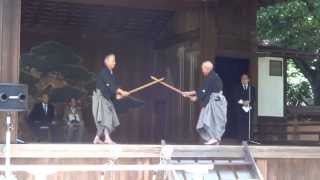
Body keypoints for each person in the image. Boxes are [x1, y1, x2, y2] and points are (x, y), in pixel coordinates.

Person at [183, 61, 227, 145]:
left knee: (210, 120)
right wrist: (189, 93)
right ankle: (213, 138)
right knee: (206, 119)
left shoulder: (212, 77)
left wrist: (196, 98)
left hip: (214, 102)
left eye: (203, 69)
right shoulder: (212, 77)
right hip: (213, 101)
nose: (202, 71)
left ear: (207, 69)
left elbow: (205, 91)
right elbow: (203, 89)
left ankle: (214, 137)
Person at [92, 54, 130, 144]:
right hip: (101, 98)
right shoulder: (104, 72)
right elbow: (111, 86)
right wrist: (121, 91)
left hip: (106, 99)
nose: (114, 63)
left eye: (115, 61)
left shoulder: (112, 74)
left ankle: (97, 138)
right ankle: (107, 138)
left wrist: (119, 95)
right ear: (106, 62)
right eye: (112, 60)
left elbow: (112, 89)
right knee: (106, 117)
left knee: (109, 117)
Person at [233, 74, 256, 142]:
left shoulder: (252, 88)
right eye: (242, 78)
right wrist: (243, 102)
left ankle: (248, 138)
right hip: (240, 108)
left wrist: (248, 102)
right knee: (240, 123)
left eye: (246, 78)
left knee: (249, 123)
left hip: (249, 108)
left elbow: (254, 98)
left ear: (248, 80)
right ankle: (241, 138)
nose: (244, 80)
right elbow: (236, 97)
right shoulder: (237, 87)